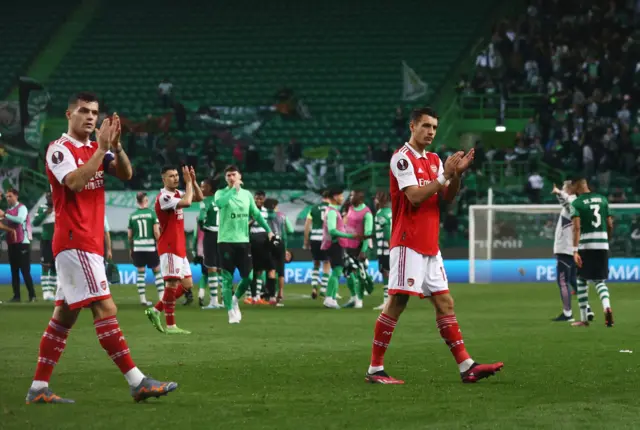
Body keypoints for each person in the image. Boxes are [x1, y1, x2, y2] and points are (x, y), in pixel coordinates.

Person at [27, 92, 176, 404]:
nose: (90, 117)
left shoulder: (96, 148)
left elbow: (126, 173)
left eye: (95, 112)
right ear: (69, 114)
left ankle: (39, 388)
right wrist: (102, 150)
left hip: (89, 242)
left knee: (63, 319)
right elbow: (75, 183)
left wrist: (116, 147)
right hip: (75, 239)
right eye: (83, 111)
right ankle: (137, 382)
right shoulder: (60, 149)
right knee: (106, 308)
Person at [365, 106, 503, 385]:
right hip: (407, 242)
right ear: (412, 126)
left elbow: (447, 197)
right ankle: (375, 369)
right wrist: (444, 176)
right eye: (426, 126)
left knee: (445, 302)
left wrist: (457, 174)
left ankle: (467, 366)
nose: (431, 132)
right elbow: (415, 197)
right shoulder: (401, 159)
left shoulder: (434, 159)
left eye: (435, 128)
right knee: (397, 301)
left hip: (429, 243)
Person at [145, 165, 203, 334]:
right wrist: (188, 183)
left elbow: (198, 197)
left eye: (177, 175)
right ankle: (171, 325)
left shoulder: (176, 193)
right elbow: (187, 202)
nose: (176, 178)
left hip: (179, 247)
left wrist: (193, 181)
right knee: (171, 284)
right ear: (163, 179)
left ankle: (155, 310)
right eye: (171, 176)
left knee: (187, 284)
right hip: (169, 246)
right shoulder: (164, 197)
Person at [215, 165, 273, 324]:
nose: (231, 178)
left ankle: (234, 299)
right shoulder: (221, 193)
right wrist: (233, 190)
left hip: (243, 241)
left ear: (240, 176)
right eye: (228, 175)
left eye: (233, 175)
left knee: (249, 277)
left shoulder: (247, 195)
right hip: (225, 241)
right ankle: (230, 312)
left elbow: (256, 214)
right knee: (226, 278)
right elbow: (220, 204)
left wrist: (268, 230)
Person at [569, 177, 614, 328]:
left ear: (577, 185)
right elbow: (610, 224)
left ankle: (583, 319)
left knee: (581, 279)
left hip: (586, 246)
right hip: (602, 244)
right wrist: (606, 239)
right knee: (600, 281)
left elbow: (576, 228)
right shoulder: (602, 199)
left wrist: (575, 250)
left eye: (572, 186)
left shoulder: (576, 203)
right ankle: (607, 306)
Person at [550, 182, 593, 322]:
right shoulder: (576, 204)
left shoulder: (573, 202)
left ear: (569, 189)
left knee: (562, 281)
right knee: (574, 281)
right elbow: (565, 202)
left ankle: (567, 313)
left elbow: (566, 201)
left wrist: (558, 192)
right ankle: (587, 308)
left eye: (563, 187)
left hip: (566, 249)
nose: (562, 189)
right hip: (572, 249)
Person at [321, 188, 361, 309]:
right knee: (337, 271)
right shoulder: (332, 212)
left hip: (337, 245)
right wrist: (350, 235)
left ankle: (335, 299)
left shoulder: (332, 211)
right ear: (334, 197)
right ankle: (329, 299)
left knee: (342, 271)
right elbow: (332, 230)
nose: (342, 198)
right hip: (335, 245)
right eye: (340, 196)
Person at [128, 192, 164, 306]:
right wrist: (160, 243)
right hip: (150, 247)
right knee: (157, 271)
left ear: (137, 201)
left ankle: (143, 299)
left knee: (140, 272)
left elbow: (129, 235)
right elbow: (156, 232)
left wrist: (131, 248)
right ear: (146, 200)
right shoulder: (152, 214)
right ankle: (162, 298)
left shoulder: (132, 216)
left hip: (138, 247)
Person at [1, 188, 35, 303]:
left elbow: (20, 220)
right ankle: (17, 296)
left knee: (25, 270)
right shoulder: (8, 210)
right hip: (12, 243)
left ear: (16, 196)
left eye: (10, 196)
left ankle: (32, 296)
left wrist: (4, 215)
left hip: (22, 242)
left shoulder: (22, 208)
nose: (8, 198)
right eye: (7, 197)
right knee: (14, 270)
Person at [342, 190, 374, 309]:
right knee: (348, 273)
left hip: (359, 247)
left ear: (359, 198)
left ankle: (359, 301)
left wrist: (363, 250)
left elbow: (367, 233)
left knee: (359, 275)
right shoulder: (349, 208)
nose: (350, 197)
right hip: (347, 245)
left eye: (352, 195)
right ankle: (353, 297)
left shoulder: (367, 213)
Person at [263, 198, 294, 305]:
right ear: (275, 206)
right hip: (279, 242)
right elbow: (290, 230)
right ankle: (280, 294)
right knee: (280, 271)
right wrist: (285, 249)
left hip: (266, 242)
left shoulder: (262, 215)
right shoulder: (281, 215)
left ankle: (269, 294)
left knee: (269, 269)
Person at [199, 178, 223, 310]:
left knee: (211, 268)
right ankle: (225, 300)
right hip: (223, 236)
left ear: (209, 188)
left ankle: (214, 301)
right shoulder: (221, 200)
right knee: (222, 268)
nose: (201, 189)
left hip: (210, 235)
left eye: (203, 186)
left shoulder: (205, 201)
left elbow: (202, 217)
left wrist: (201, 224)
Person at [304, 190, 330, 299]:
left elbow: (307, 225)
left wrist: (306, 240)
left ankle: (314, 287)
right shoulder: (332, 208)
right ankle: (323, 289)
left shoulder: (313, 209)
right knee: (327, 263)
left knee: (316, 263)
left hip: (314, 239)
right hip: (325, 239)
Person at [247, 190, 269, 305]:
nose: (258, 201)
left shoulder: (266, 211)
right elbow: (245, 225)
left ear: (264, 199)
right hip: (252, 241)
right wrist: (254, 219)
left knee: (260, 270)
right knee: (252, 270)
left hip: (263, 242)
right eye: (257, 198)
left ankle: (258, 297)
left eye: (260, 199)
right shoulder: (250, 210)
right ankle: (252, 296)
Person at [32, 192, 56, 301]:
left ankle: (51, 290)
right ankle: (46, 292)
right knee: (46, 265)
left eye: (52, 196)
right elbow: (35, 222)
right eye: (48, 196)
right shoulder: (42, 208)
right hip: (46, 240)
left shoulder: (60, 207)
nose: (50, 198)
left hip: (58, 241)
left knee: (55, 267)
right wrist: (46, 213)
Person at [373, 190, 391, 310]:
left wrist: (391, 246)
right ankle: (390, 300)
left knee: (386, 272)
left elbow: (386, 231)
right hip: (392, 248)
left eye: (376, 198)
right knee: (390, 273)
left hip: (385, 249)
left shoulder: (380, 214)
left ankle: (387, 301)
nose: (374, 200)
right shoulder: (390, 212)